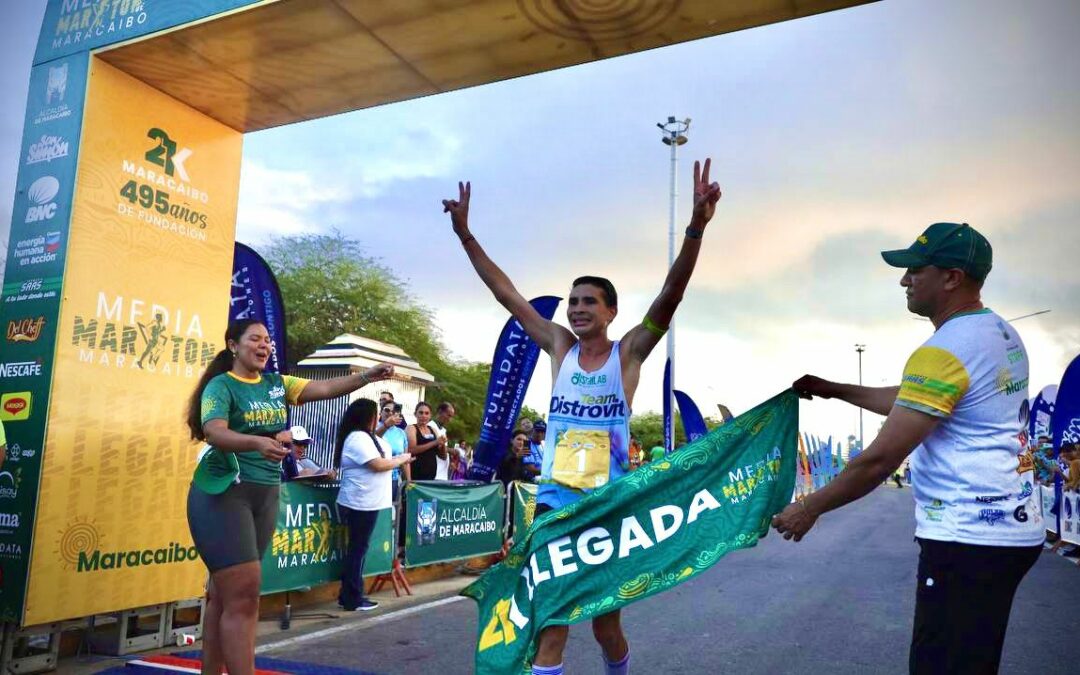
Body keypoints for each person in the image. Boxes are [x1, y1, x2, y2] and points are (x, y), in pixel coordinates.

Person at [442, 159, 721, 675]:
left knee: (605, 625)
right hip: (554, 502)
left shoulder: (628, 352)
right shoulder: (559, 346)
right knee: (552, 620)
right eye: (572, 302)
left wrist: (696, 228)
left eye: (589, 301)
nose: (576, 309)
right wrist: (465, 235)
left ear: (611, 311)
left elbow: (671, 294)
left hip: (607, 505)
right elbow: (507, 294)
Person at [772, 222, 1044, 675]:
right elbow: (914, 401)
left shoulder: (944, 350)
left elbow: (881, 459)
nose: (904, 280)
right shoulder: (997, 332)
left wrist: (809, 507)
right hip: (1010, 530)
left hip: (967, 537)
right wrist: (834, 389)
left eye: (916, 270)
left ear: (952, 277)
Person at [185, 319, 395, 675]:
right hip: (224, 494)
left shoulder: (276, 384)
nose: (264, 345)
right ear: (233, 346)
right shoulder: (221, 386)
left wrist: (366, 377)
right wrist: (257, 442)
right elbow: (214, 431)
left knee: (225, 595)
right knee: (245, 597)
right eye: (255, 339)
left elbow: (325, 388)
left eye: (268, 340)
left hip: (266, 494)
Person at [334, 398, 414, 611]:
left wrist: (387, 432)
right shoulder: (357, 438)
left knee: (358, 549)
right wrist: (401, 459)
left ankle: (348, 594)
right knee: (357, 550)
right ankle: (352, 597)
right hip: (360, 502)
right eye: (375, 413)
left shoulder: (366, 436)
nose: (379, 417)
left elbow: (377, 447)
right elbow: (377, 464)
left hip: (368, 501)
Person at [378, 403, 409, 503]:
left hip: (394, 479)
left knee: (392, 509)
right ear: (380, 412)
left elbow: (405, 460)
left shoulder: (401, 433)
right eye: (387, 410)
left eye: (394, 411)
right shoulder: (374, 427)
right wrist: (386, 425)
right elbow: (373, 439)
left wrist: (408, 482)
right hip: (377, 477)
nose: (391, 413)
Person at [406, 401, 443, 481]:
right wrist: (434, 442)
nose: (424, 416)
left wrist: (442, 444)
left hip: (431, 476)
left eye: (426, 413)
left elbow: (442, 456)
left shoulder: (433, 429)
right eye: (421, 413)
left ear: (430, 415)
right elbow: (411, 450)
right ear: (415, 414)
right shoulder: (411, 428)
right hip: (415, 475)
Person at [429, 402, 456, 480]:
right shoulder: (430, 426)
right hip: (434, 474)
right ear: (440, 412)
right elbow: (435, 447)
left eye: (451, 417)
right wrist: (451, 450)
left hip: (443, 475)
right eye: (448, 415)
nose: (450, 419)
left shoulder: (443, 430)